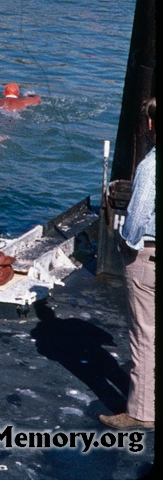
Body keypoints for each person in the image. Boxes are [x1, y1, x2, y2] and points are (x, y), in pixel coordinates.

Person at [100, 97, 155, 431]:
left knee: (145, 332)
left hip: (149, 254)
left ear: (151, 124)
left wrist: (126, 245)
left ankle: (142, 411)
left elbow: (136, 216)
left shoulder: (151, 165)